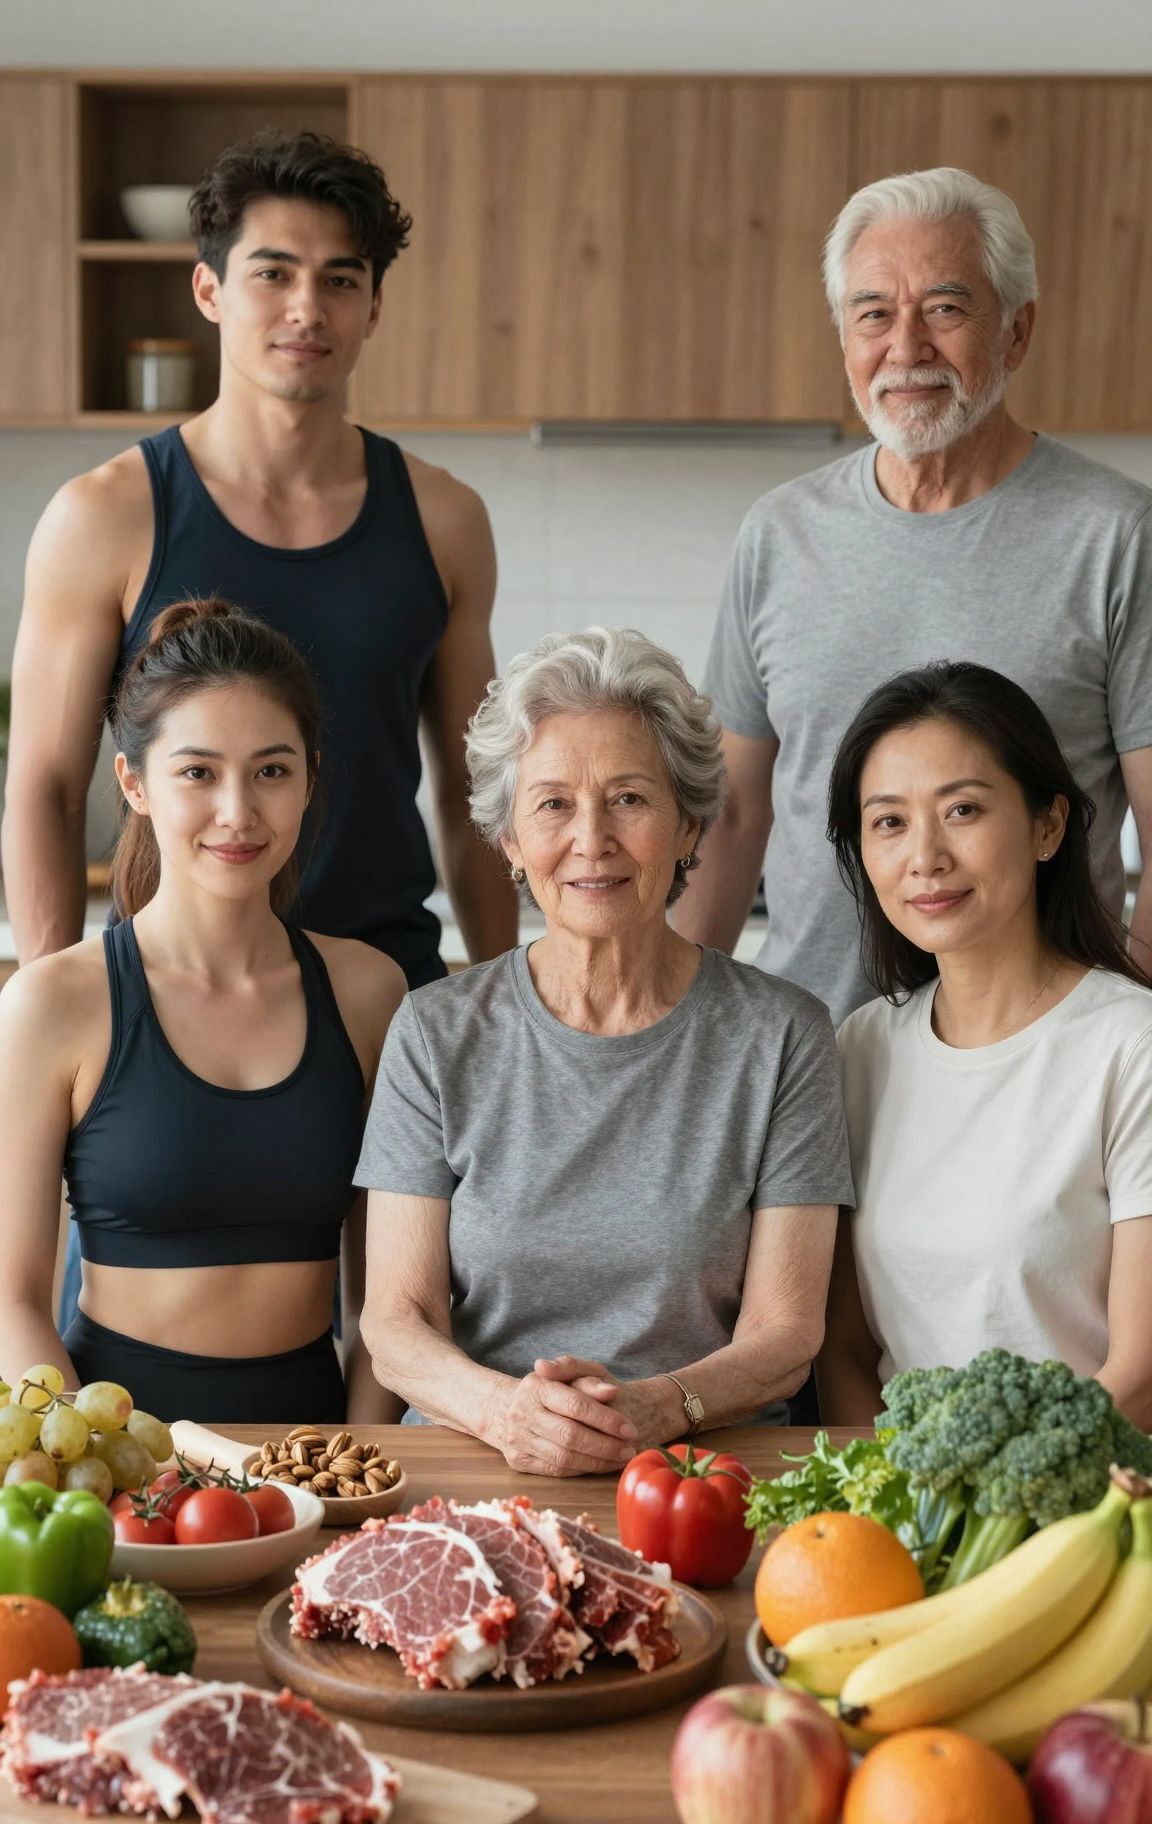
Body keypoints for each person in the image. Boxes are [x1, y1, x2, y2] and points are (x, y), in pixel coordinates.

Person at [3, 126, 515, 985]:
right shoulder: (102, 517)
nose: (307, 309)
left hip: (388, 997)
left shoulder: (446, 519)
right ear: (209, 289)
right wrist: (54, 1010)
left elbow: (475, 801)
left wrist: (511, 1017)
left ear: (374, 307)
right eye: (273, 272)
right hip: (168, 1004)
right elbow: (45, 792)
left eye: (340, 280)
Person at [355, 627, 853, 1476]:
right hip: (477, 1463)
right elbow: (396, 1324)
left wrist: (660, 1407)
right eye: (552, 803)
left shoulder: (782, 1036)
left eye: (628, 798)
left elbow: (786, 1335)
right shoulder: (436, 1032)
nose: (592, 838)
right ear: (510, 840)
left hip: (704, 1477)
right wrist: (510, 1413)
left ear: (690, 823)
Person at [679, 165, 1152, 1028]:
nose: (905, 349)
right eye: (873, 314)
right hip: (806, 1051)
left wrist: (1122, 1040)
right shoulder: (780, 534)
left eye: (944, 308)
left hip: (1036, 1063)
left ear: (1016, 332)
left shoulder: (1116, 535)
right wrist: (685, 1038)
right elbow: (735, 813)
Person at [0, 599, 405, 1425]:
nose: (238, 812)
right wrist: (90, 1473)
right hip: (116, 1455)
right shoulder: (52, 1004)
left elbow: (385, 1310)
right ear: (134, 783)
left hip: (312, 1452)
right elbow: (10, 1300)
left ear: (310, 778)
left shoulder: (371, 994)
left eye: (271, 770)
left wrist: (359, 1474)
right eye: (197, 772)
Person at [817, 662, 1152, 1433]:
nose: (924, 856)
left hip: (1089, 1511)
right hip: (906, 1512)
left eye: (962, 809)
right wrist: (899, 1507)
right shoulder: (858, 1052)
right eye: (889, 822)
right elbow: (843, 1351)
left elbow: (1137, 1373)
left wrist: (985, 1510)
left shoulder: (1130, 1048)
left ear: (1048, 826)